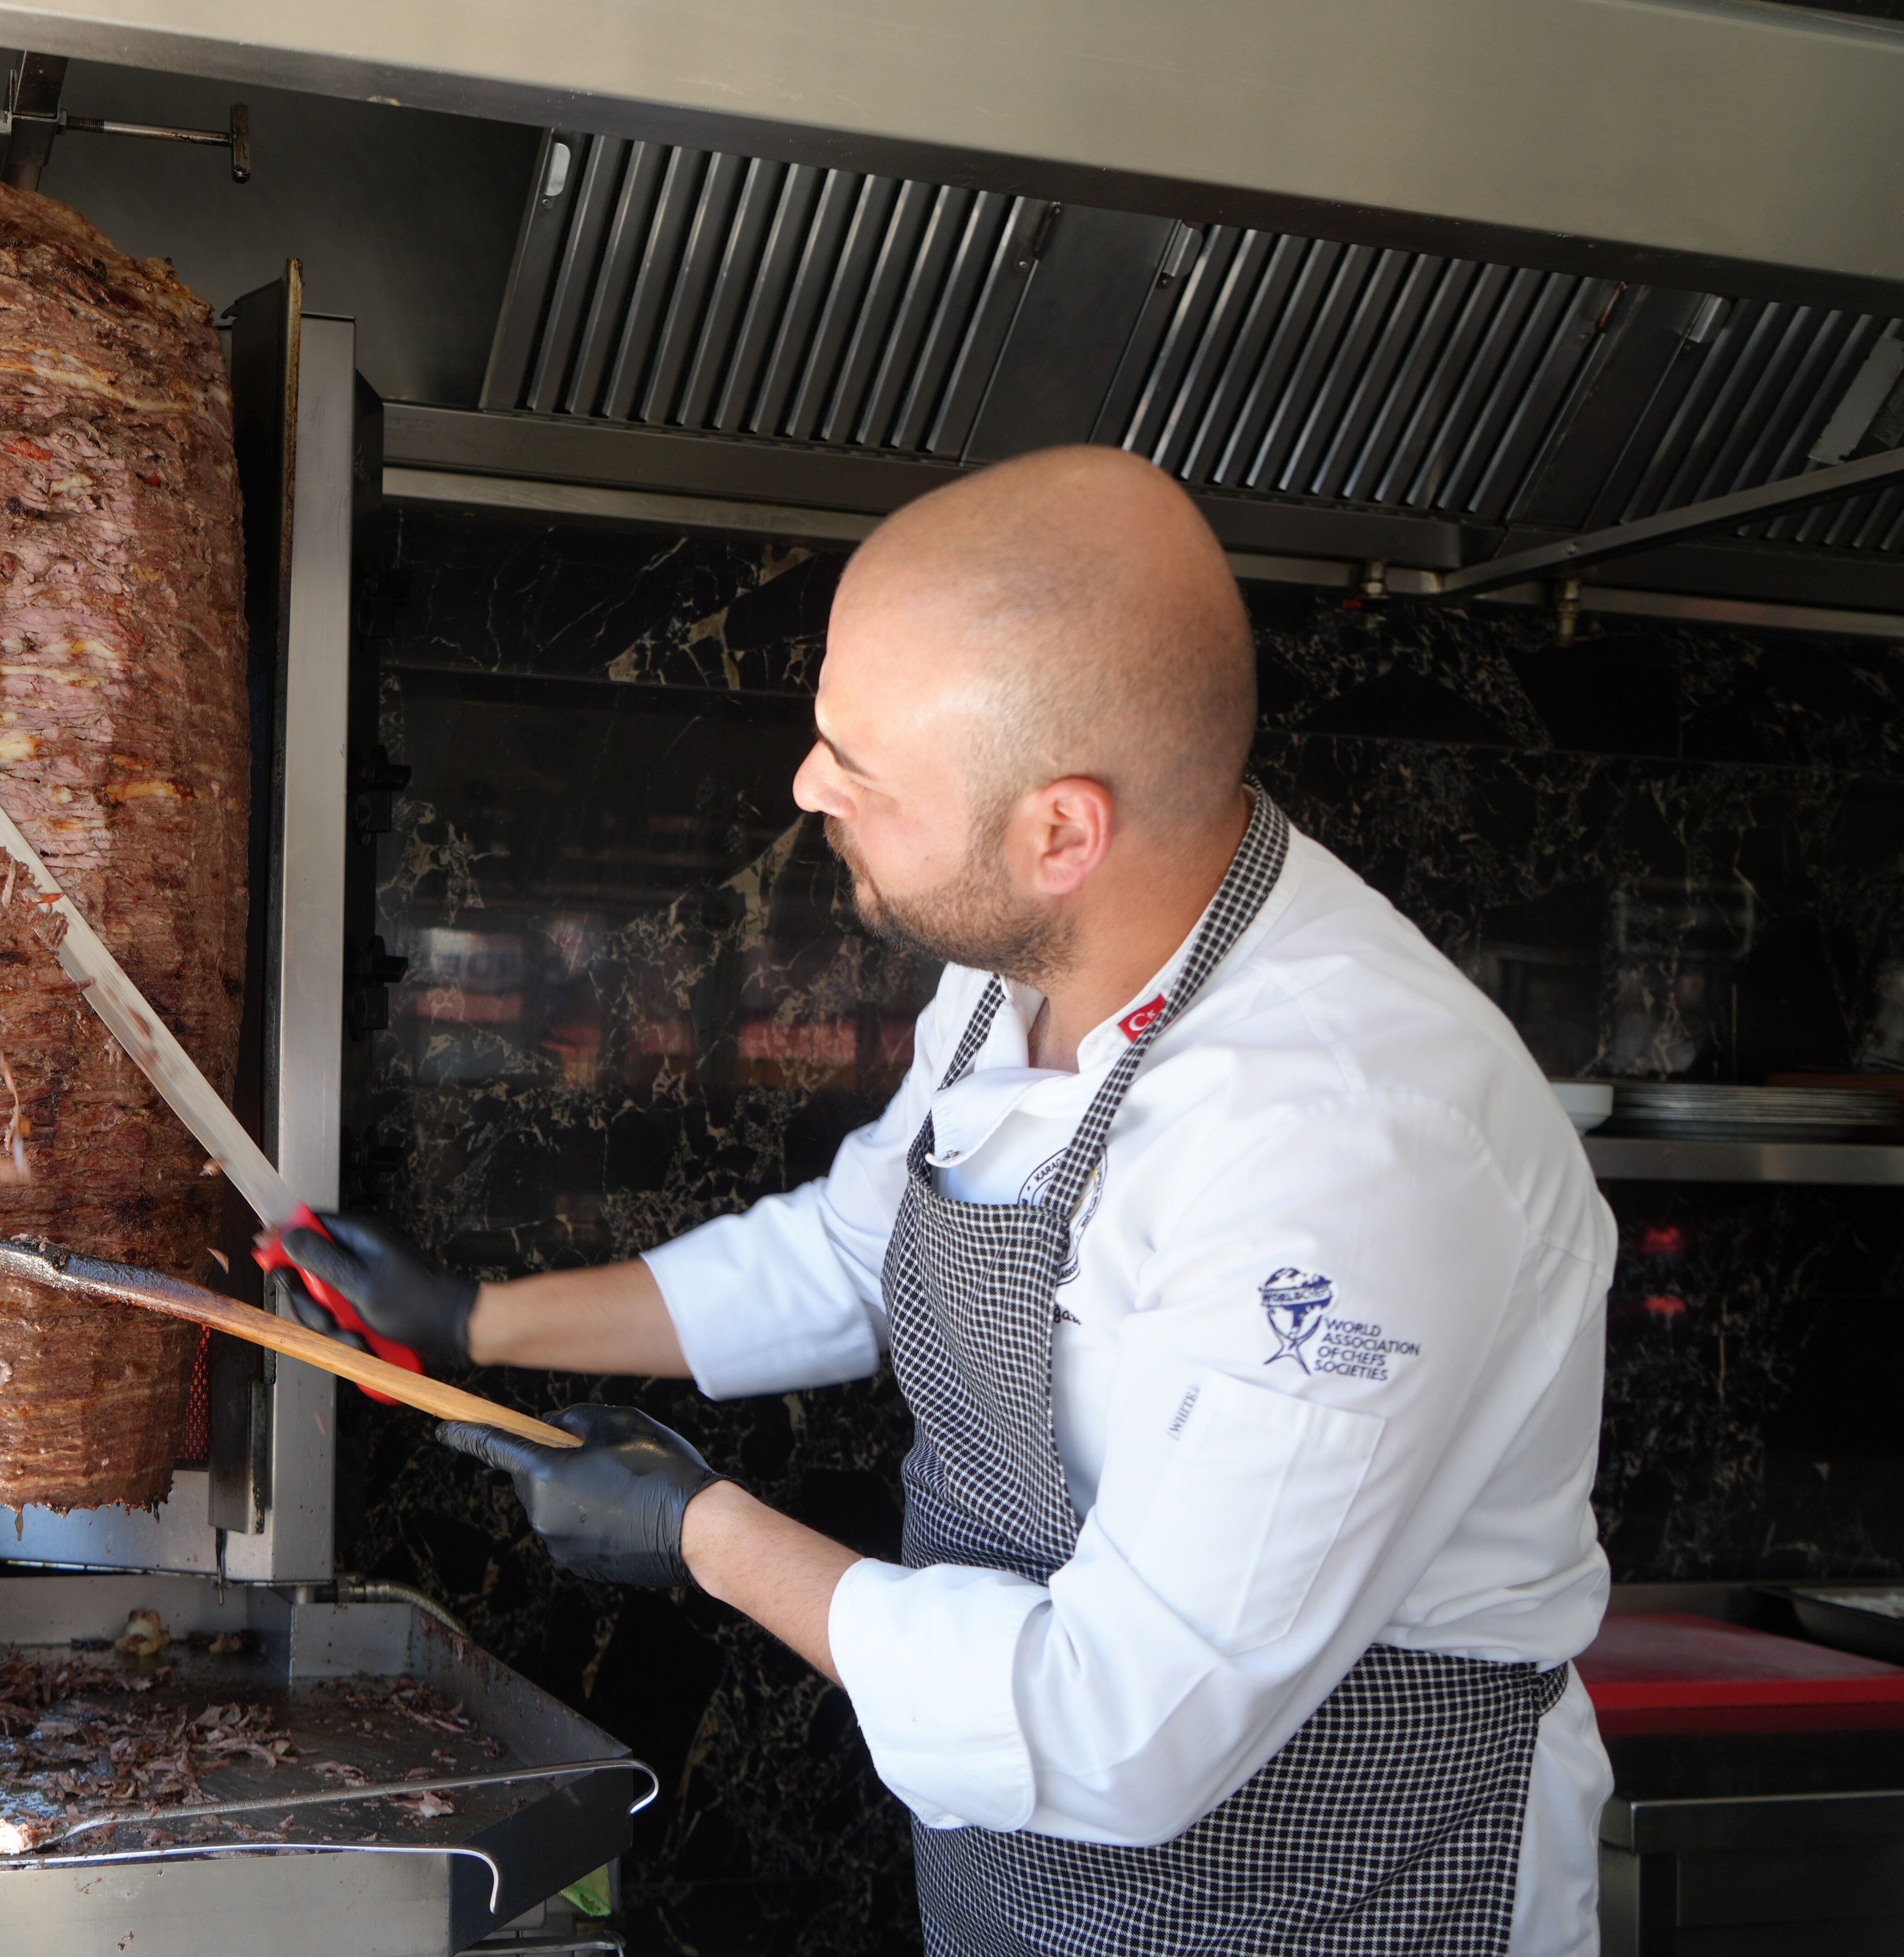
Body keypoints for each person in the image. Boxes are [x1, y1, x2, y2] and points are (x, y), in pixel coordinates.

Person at [282, 447, 1613, 1955]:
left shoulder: (1351, 1146)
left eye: (857, 762)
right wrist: (475, 1320)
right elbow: (868, 1251)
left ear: (1062, 833)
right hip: (1026, 1885)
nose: (804, 785)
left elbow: (1117, 1731)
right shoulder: (1023, 961)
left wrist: (704, 1535)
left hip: (1329, 1891)